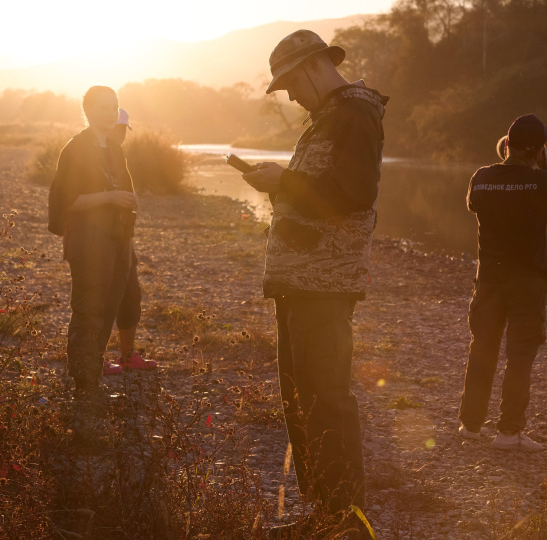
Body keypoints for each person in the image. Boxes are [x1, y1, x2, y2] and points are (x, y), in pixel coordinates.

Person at [240, 29, 388, 538]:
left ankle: (348, 521)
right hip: (303, 281)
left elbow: (352, 193)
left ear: (313, 66)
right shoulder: (330, 117)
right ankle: (324, 515)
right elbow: (321, 192)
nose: (290, 96)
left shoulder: (354, 115)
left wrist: (283, 180)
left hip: (323, 283)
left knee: (325, 396)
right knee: (303, 397)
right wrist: (281, 182)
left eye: (289, 84)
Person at [457, 114, 547, 453]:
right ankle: (509, 432)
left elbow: (473, 205)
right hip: (527, 280)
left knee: (482, 348)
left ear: (507, 144)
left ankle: (470, 425)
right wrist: (542, 168)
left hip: (489, 279)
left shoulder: (482, 178)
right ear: (538, 150)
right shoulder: (542, 182)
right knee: (520, 355)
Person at [47, 87, 149, 403]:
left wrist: (127, 202)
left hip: (117, 239)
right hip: (88, 241)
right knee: (89, 308)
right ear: (88, 110)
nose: (109, 113)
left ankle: (93, 374)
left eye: (114, 107)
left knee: (111, 304)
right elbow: (66, 202)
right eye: (103, 107)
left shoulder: (114, 150)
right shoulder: (76, 148)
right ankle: (84, 382)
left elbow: (122, 191)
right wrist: (110, 197)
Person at [103, 107, 156, 374]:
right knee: (100, 297)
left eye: (124, 129)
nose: (121, 134)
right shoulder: (92, 154)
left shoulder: (118, 155)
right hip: (101, 238)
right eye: (117, 128)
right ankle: (94, 357)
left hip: (123, 235)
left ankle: (127, 355)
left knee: (130, 294)